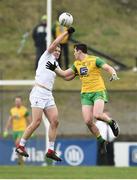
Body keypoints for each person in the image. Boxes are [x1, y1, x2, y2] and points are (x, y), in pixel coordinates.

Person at [46, 43, 120, 155]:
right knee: (88, 121)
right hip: (85, 94)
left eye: (75, 51)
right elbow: (65, 74)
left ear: (80, 51)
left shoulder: (95, 60)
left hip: (98, 91)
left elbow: (107, 67)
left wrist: (113, 73)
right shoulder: (77, 64)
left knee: (97, 115)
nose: (74, 53)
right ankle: (101, 140)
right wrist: (54, 68)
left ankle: (111, 122)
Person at [15, 27, 75, 161]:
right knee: (36, 122)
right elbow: (54, 44)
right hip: (38, 92)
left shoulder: (55, 65)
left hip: (48, 94)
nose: (58, 52)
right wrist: (66, 33)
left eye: (60, 51)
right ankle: (21, 146)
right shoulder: (46, 56)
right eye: (57, 50)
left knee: (55, 121)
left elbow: (65, 76)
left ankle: (51, 150)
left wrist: (77, 72)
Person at [3, 96, 31, 165]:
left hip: (22, 130)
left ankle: (21, 160)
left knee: (18, 143)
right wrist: (6, 129)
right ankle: (21, 161)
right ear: (15, 102)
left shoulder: (24, 110)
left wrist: (31, 129)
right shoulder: (12, 110)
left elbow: (29, 119)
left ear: (21, 102)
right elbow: (10, 120)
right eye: (16, 101)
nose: (17, 102)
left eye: (19, 101)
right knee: (17, 146)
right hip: (15, 131)